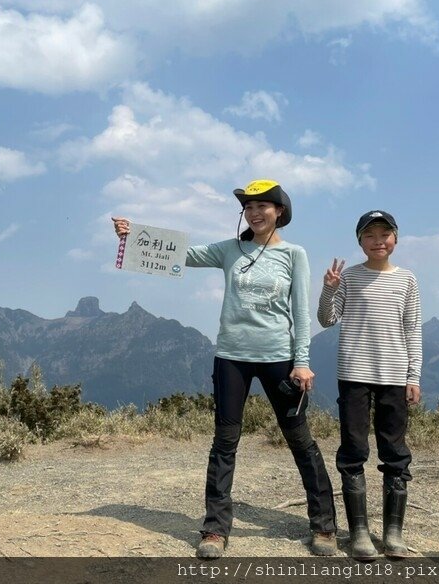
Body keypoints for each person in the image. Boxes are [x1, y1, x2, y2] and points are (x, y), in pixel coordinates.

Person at [112, 180, 337, 559]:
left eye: (263, 206)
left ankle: (324, 526)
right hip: (231, 356)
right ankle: (215, 530)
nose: (254, 212)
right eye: (248, 207)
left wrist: (302, 362)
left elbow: (300, 312)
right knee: (224, 443)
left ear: (279, 211)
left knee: (300, 440)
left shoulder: (295, 254)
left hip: (279, 359)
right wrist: (133, 235)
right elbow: (183, 254)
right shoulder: (230, 249)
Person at [317, 210, 422, 560]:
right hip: (353, 374)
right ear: (360, 241)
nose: (379, 241)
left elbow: (412, 330)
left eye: (385, 234)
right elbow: (327, 319)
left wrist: (413, 376)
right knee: (353, 451)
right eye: (370, 235)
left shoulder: (407, 280)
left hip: (394, 375)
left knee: (395, 452)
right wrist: (328, 290)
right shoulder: (349, 277)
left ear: (396, 238)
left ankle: (394, 533)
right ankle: (359, 533)